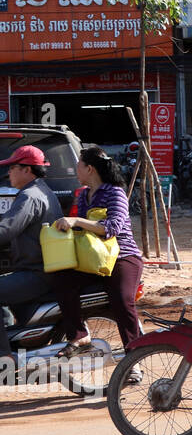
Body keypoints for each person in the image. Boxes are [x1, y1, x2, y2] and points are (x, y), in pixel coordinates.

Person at [48, 146, 144, 362]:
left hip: (122, 257)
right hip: (93, 258)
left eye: (79, 165)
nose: (76, 170)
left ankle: (134, 359)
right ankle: (79, 335)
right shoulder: (83, 195)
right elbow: (83, 231)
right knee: (61, 278)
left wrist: (77, 221)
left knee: (122, 300)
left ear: (89, 169)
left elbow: (113, 227)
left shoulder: (115, 192)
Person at [0, 146, 62, 359]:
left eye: (12, 167)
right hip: (37, 269)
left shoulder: (29, 196)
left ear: (27, 170)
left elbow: (6, 229)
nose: (8, 173)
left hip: (36, 273)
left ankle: (3, 356)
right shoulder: (41, 190)